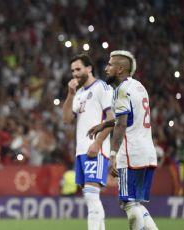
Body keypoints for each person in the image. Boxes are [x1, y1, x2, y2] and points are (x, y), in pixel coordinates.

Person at [87, 50, 158, 230]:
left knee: (129, 204)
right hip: (147, 153)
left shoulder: (121, 90)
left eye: (110, 65)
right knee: (136, 203)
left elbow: (122, 125)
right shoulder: (138, 87)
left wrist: (112, 155)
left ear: (120, 69)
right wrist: (104, 125)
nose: (106, 68)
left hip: (131, 154)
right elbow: (128, 117)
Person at [62, 54, 114, 230]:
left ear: (89, 68)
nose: (75, 73)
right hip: (82, 150)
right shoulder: (79, 94)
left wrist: (97, 143)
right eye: (72, 70)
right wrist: (70, 94)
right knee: (91, 197)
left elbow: (112, 119)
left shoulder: (102, 88)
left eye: (78, 69)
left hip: (95, 148)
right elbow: (66, 119)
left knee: (92, 197)